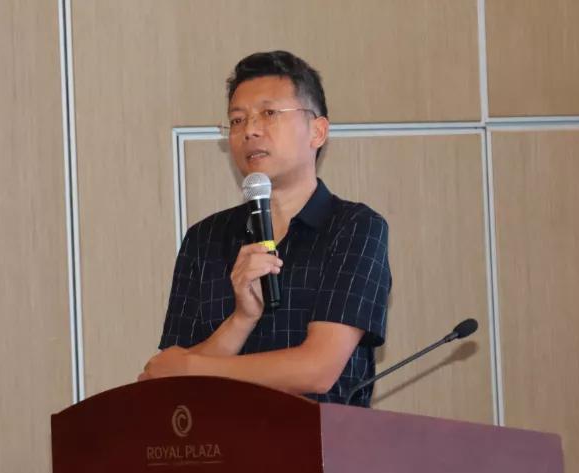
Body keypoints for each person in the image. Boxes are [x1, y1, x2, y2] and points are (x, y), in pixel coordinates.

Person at [139, 50, 391, 407]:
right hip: (221, 439)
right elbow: (167, 383)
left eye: (269, 114)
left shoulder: (354, 228)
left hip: (321, 439)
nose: (250, 130)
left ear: (317, 131)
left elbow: (317, 369)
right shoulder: (204, 239)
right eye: (237, 120)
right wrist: (241, 320)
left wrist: (195, 369)